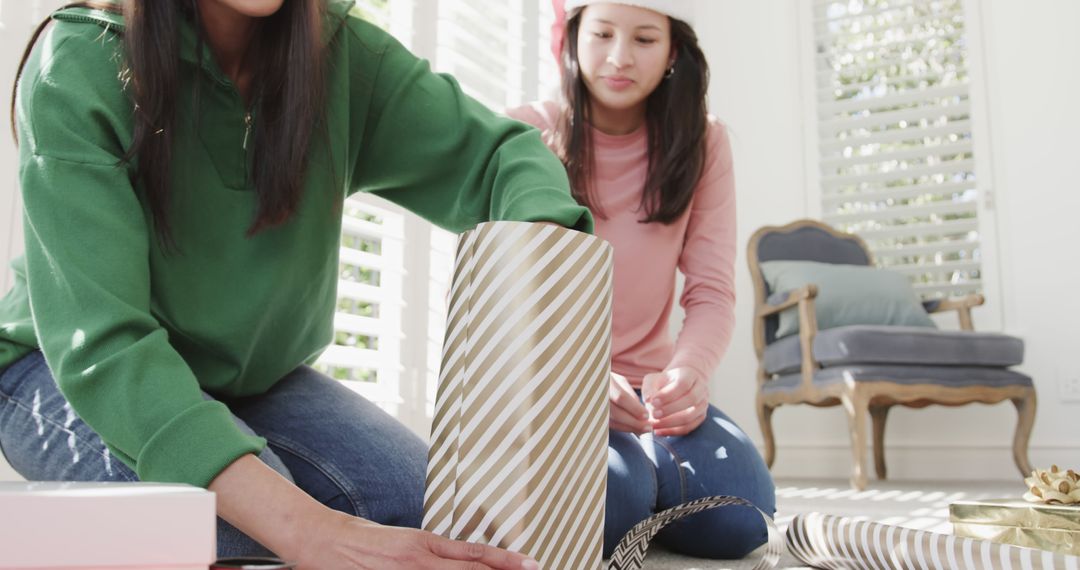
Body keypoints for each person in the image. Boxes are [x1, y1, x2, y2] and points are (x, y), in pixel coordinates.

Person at [0, 0, 592, 568]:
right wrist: (313, 532)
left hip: (250, 379)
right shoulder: (77, 63)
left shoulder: (340, 55)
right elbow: (104, 347)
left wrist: (540, 289)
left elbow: (500, 156)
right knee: (238, 520)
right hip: (61, 370)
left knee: (424, 515)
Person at [508, 0, 777, 559]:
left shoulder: (705, 144)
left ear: (674, 49)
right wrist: (577, 377)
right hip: (547, 386)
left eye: (645, 40)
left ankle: (645, 479)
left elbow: (710, 291)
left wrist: (688, 373)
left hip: (646, 397)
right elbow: (499, 298)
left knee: (742, 521)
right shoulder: (524, 132)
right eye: (602, 33)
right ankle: (641, 487)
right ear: (573, 34)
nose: (619, 58)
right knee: (614, 503)